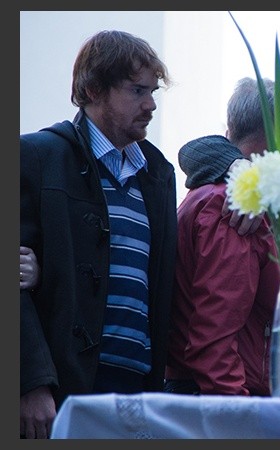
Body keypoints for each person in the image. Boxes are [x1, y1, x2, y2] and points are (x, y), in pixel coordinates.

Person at [19, 30, 176, 438]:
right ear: (92, 89)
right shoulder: (37, 156)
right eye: (137, 90)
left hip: (137, 390)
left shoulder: (158, 175)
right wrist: (30, 382)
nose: (151, 104)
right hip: (62, 389)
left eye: (153, 91)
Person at [164, 77, 280, 396]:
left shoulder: (216, 194)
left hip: (209, 390)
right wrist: (236, 411)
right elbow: (213, 337)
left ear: (230, 130)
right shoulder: (235, 205)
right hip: (220, 395)